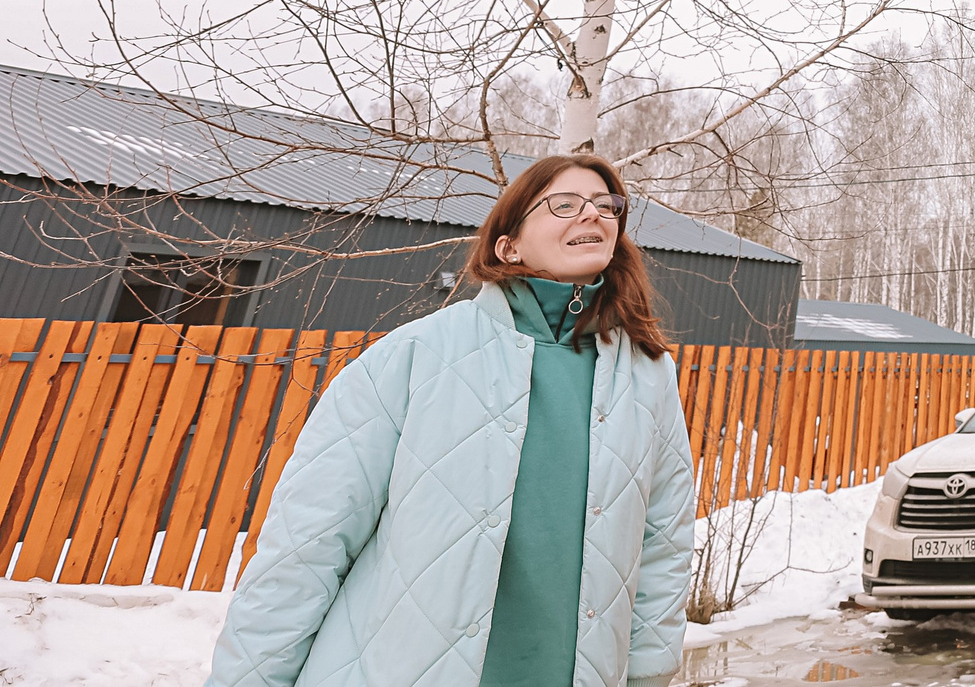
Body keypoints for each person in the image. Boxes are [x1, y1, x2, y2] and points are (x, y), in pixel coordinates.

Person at [205, 155, 695, 687]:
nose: (592, 216)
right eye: (564, 204)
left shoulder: (648, 373)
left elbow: (663, 541)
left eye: (606, 206)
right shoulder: (415, 354)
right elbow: (308, 543)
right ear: (508, 246)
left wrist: (648, 674)